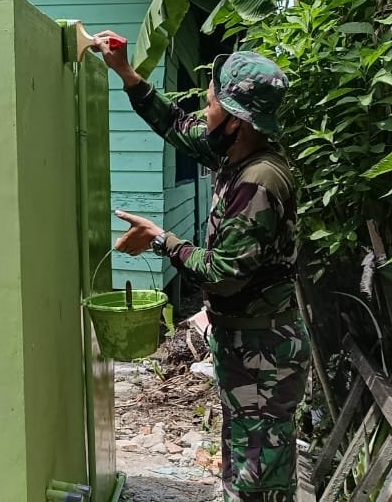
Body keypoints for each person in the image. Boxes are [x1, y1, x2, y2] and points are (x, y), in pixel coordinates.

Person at [92, 30, 310, 501]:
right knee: (246, 464)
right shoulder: (235, 150)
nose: (204, 112)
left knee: (258, 483)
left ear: (236, 120)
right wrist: (126, 73)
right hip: (247, 347)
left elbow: (223, 274)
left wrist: (160, 239)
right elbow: (176, 124)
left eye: (211, 104)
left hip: (263, 355)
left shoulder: (258, 182)